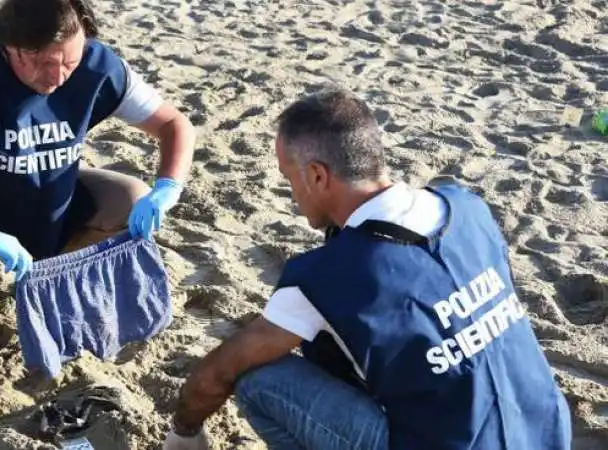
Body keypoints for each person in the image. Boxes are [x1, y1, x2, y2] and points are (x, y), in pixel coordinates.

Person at [162, 87, 571, 450]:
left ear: (318, 175)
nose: (291, 194)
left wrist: (184, 428)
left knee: (259, 380)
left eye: (290, 179)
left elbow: (219, 373)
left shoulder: (327, 274)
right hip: (546, 431)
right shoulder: (468, 207)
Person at [0, 0, 195, 345]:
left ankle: (53, 277)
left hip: (43, 188)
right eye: (44, 63)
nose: (57, 77)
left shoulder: (98, 65)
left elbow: (174, 123)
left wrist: (168, 187)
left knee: (134, 200)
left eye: (69, 64)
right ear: (8, 46)